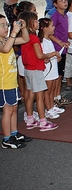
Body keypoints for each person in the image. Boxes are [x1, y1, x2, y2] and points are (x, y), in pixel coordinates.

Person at [19, 11, 60, 131]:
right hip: (35, 70)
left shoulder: (24, 38)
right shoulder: (34, 38)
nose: (38, 23)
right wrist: (53, 54)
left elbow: (32, 55)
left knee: (30, 94)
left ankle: (30, 118)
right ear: (30, 24)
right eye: (36, 21)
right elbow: (40, 55)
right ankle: (43, 121)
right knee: (40, 95)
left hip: (28, 68)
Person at [0, 14, 31, 148]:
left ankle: (14, 133)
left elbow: (25, 39)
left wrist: (23, 28)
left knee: (14, 108)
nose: (5, 27)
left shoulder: (7, 39)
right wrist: (13, 32)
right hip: (3, 83)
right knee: (8, 110)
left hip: (12, 81)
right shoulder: (4, 42)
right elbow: (6, 49)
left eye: (6, 24)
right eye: (1, 25)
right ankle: (6, 138)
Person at [49, 0, 72, 107]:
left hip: (63, 49)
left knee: (60, 74)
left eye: (66, 0)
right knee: (57, 76)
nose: (65, 2)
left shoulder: (65, 15)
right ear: (55, 4)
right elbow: (48, 32)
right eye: (62, 1)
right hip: (57, 50)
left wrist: (66, 41)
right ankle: (54, 98)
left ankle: (58, 96)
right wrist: (59, 42)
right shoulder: (55, 16)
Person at [38, 18, 64, 119]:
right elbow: (44, 55)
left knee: (52, 89)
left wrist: (57, 57)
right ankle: (48, 109)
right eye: (51, 26)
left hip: (53, 68)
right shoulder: (42, 42)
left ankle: (52, 106)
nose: (54, 27)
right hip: (48, 70)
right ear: (44, 29)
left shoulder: (49, 40)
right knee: (47, 91)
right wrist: (54, 54)